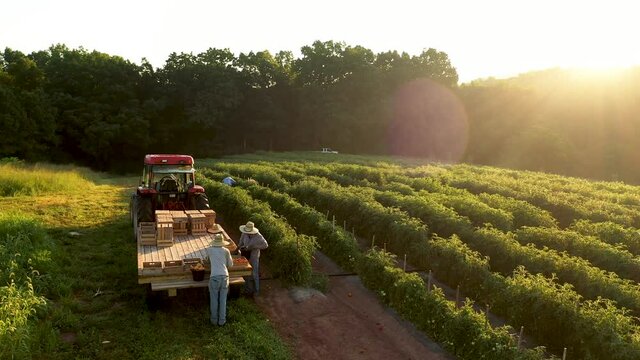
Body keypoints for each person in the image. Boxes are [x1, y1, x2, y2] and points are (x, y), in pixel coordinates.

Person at [205, 233, 233, 326]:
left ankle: (213, 321)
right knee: (223, 300)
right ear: (222, 242)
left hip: (214, 277)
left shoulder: (209, 250)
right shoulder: (226, 250)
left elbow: (207, 261)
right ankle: (222, 321)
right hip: (225, 277)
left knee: (214, 300)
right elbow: (230, 265)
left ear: (214, 242)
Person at [238, 221, 268, 295]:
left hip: (254, 255)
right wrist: (238, 248)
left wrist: (255, 247)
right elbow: (241, 242)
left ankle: (257, 290)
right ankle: (248, 288)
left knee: (254, 272)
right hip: (245, 254)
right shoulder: (244, 233)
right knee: (246, 271)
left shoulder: (258, 236)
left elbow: (265, 245)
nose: (247, 233)